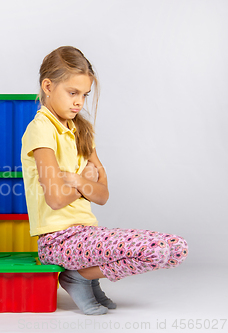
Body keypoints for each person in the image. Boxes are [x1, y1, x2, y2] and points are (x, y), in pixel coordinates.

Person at [20, 46, 188, 315]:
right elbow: (55, 198)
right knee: (155, 251)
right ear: (48, 86)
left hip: (86, 233)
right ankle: (79, 277)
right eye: (72, 93)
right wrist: (84, 182)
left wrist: (75, 180)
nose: (79, 102)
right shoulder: (40, 129)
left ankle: (83, 275)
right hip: (57, 241)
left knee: (177, 248)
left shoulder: (81, 131)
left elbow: (103, 195)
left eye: (84, 95)